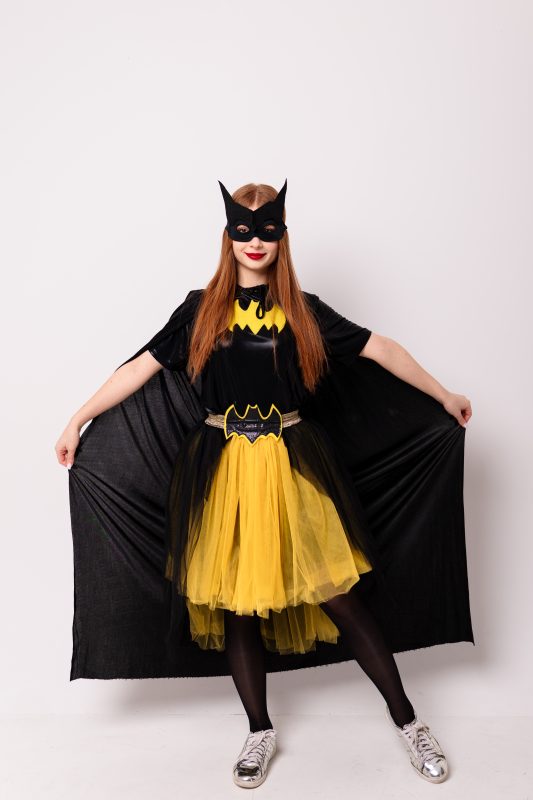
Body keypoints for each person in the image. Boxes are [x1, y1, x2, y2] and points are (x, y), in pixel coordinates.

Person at [56, 179, 473, 789]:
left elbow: (380, 349)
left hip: (291, 466)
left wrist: (445, 394)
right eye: (243, 229)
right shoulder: (200, 309)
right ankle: (258, 729)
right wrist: (78, 419)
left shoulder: (303, 310)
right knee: (239, 607)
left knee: (339, 595)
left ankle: (409, 721)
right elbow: (139, 367)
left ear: (282, 237)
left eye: (267, 229)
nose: (255, 241)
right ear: (228, 236)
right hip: (225, 473)